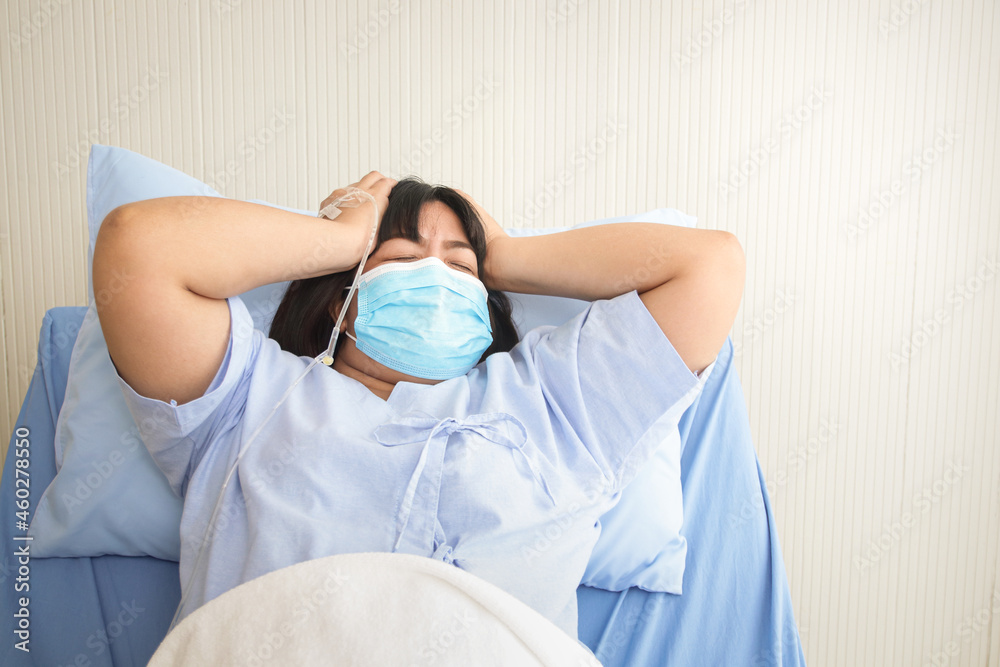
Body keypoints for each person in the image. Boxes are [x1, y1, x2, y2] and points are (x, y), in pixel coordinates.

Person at [92, 172, 745, 641]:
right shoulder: (246, 400)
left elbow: (708, 266)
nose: (433, 278)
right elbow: (138, 246)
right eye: (401, 256)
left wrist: (510, 254)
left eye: (461, 268)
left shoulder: (557, 403)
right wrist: (343, 234)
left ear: (489, 305)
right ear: (341, 301)